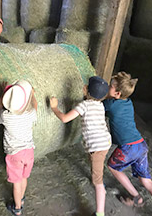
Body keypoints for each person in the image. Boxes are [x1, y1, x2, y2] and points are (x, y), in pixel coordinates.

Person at [103, 72, 152, 216]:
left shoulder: (110, 104)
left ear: (117, 93)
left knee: (112, 166)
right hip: (140, 145)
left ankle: (137, 197)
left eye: (111, 86)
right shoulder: (128, 102)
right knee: (147, 182)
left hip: (128, 148)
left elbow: (97, 105)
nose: (108, 87)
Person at [50, 76, 111, 216]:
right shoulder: (100, 105)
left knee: (97, 181)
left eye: (86, 85)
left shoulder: (83, 106)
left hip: (97, 146)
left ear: (86, 90)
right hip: (105, 142)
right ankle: (99, 181)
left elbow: (65, 118)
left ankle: (100, 211)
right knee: (96, 163)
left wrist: (54, 108)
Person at [0, 80, 37, 216]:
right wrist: (32, 94)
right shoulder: (29, 114)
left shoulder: (6, 116)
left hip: (15, 155)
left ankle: (17, 207)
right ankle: (22, 199)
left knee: (16, 183)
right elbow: (35, 106)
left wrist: (3, 93)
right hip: (29, 152)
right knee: (24, 178)